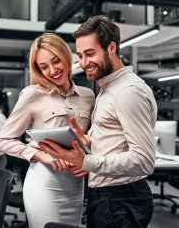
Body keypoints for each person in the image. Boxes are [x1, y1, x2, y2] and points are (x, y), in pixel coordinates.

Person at [39, 15, 158, 228]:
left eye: (90, 54)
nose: (84, 63)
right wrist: (87, 141)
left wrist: (86, 162)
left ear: (111, 48)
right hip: (109, 197)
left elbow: (144, 160)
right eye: (81, 56)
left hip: (120, 200)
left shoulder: (127, 92)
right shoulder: (108, 88)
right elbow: (115, 142)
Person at [0, 33, 95, 228]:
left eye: (56, 61)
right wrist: (41, 156)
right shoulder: (32, 95)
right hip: (44, 182)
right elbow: (4, 140)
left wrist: (87, 159)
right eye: (43, 67)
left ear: (66, 56)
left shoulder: (88, 96)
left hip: (76, 184)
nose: (52, 70)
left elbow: (91, 139)